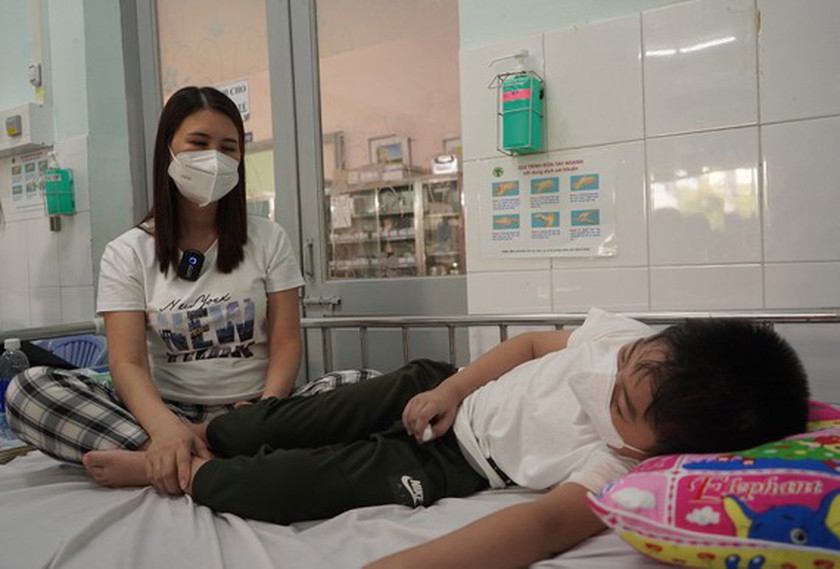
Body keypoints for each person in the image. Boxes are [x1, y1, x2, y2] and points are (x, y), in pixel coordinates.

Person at [68, 307, 810, 567]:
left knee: (287, 486)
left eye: (623, 400)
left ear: (663, 452)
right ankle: (197, 435)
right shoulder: (623, 338)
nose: (613, 373)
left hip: (450, 462)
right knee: (281, 419)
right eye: (629, 361)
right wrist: (452, 387)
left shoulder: (621, 463)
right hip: (439, 388)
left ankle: (180, 474)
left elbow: (542, 526)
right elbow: (524, 348)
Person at [6, 86, 305, 497]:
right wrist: (164, 430)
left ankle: (159, 467)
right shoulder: (127, 252)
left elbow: (287, 342)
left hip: (253, 409)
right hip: (166, 411)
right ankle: (174, 455)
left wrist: (265, 411)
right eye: (199, 143)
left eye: (228, 147)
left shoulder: (269, 239)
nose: (215, 158)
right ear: (168, 150)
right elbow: (126, 363)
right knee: (28, 390)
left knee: (364, 385)